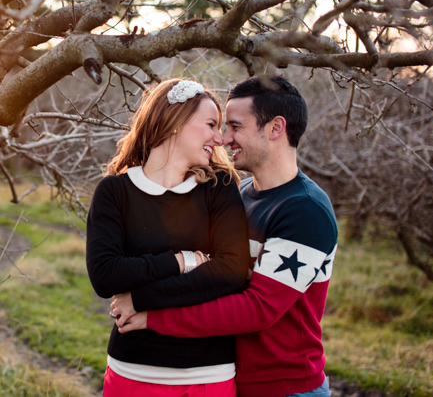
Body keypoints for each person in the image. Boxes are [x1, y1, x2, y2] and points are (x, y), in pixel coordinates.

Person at [113, 75, 339, 397]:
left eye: (235, 127)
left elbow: (257, 308)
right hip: (229, 379)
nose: (223, 138)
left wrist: (152, 317)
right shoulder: (240, 194)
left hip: (285, 387)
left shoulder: (305, 211)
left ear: (275, 128)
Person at [86, 78, 250, 396]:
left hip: (208, 375)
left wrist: (140, 299)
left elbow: (232, 273)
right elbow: (106, 277)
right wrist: (182, 261)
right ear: (174, 122)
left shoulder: (220, 187)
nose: (220, 138)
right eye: (211, 124)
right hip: (132, 371)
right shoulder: (115, 191)